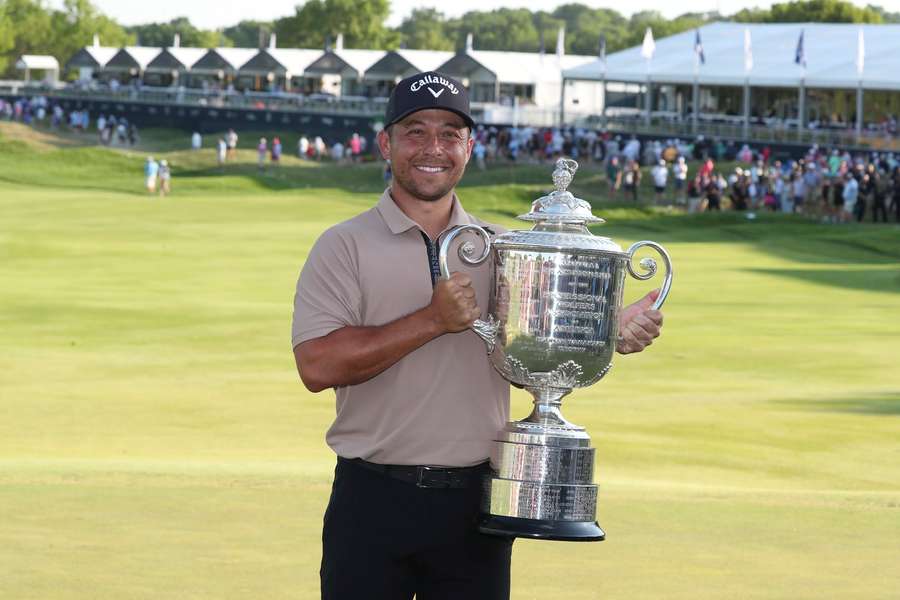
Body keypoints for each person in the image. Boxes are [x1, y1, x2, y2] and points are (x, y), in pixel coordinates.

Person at [291, 71, 665, 599]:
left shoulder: (505, 249)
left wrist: (605, 330)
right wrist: (431, 320)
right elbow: (317, 367)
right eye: (415, 131)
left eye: (450, 133)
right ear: (385, 142)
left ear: (469, 146)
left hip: (475, 507)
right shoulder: (343, 246)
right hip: (371, 500)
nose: (433, 148)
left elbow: (547, 334)